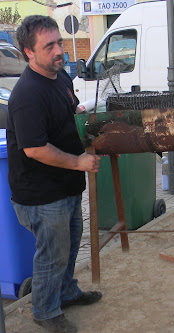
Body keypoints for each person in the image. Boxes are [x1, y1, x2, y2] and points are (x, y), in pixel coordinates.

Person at [7, 15, 102, 333]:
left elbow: (69, 109)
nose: (59, 51)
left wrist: (79, 116)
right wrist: (78, 163)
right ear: (28, 52)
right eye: (49, 46)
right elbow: (34, 148)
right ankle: (45, 311)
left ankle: (66, 292)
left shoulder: (59, 76)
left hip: (65, 186)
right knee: (51, 253)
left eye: (59, 42)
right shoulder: (26, 95)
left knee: (70, 243)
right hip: (40, 193)